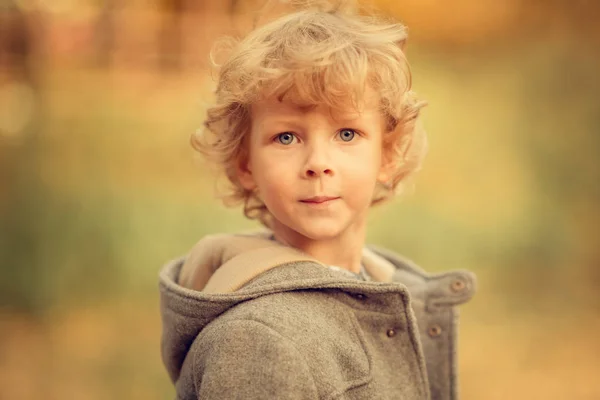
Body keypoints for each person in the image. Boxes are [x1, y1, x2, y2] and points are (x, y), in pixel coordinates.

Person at [159, 2, 476, 399]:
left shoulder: (389, 292)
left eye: (346, 134)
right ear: (245, 164)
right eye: (286, 137)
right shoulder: (256, 343)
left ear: (388, 154)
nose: (318, 164)